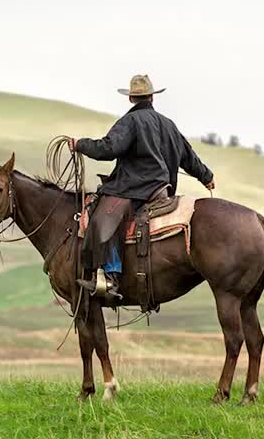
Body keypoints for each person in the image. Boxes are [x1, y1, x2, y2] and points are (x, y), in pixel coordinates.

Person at [69, 74, 214, 300]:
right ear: (152, 97)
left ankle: (110, 278)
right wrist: (206, 176)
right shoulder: (168, 124)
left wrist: (80, 144)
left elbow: (108, 149)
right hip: (161, 188)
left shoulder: (130, 121)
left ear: (131, 99)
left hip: (133, 188)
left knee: (102, 219)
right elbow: (188, 156)